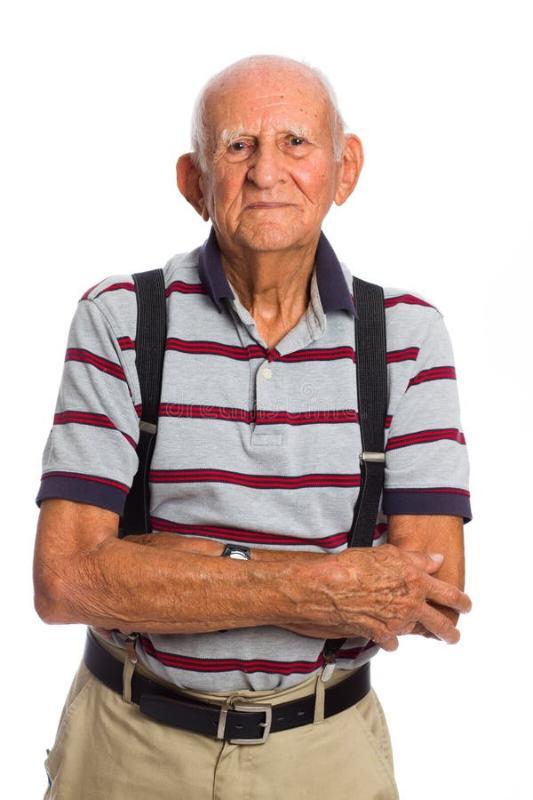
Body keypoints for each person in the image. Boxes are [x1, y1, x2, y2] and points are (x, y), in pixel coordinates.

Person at [33, 54, 473, 800]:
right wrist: (310, 586)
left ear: (345, 167)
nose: (267, 172)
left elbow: (429, 594)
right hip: (127, 748)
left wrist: (166, 564)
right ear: (194, 182)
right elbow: (67, 579)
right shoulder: (119, 320)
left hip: (324, 754)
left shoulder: (405, 336)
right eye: (237, 146)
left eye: (296, 142)